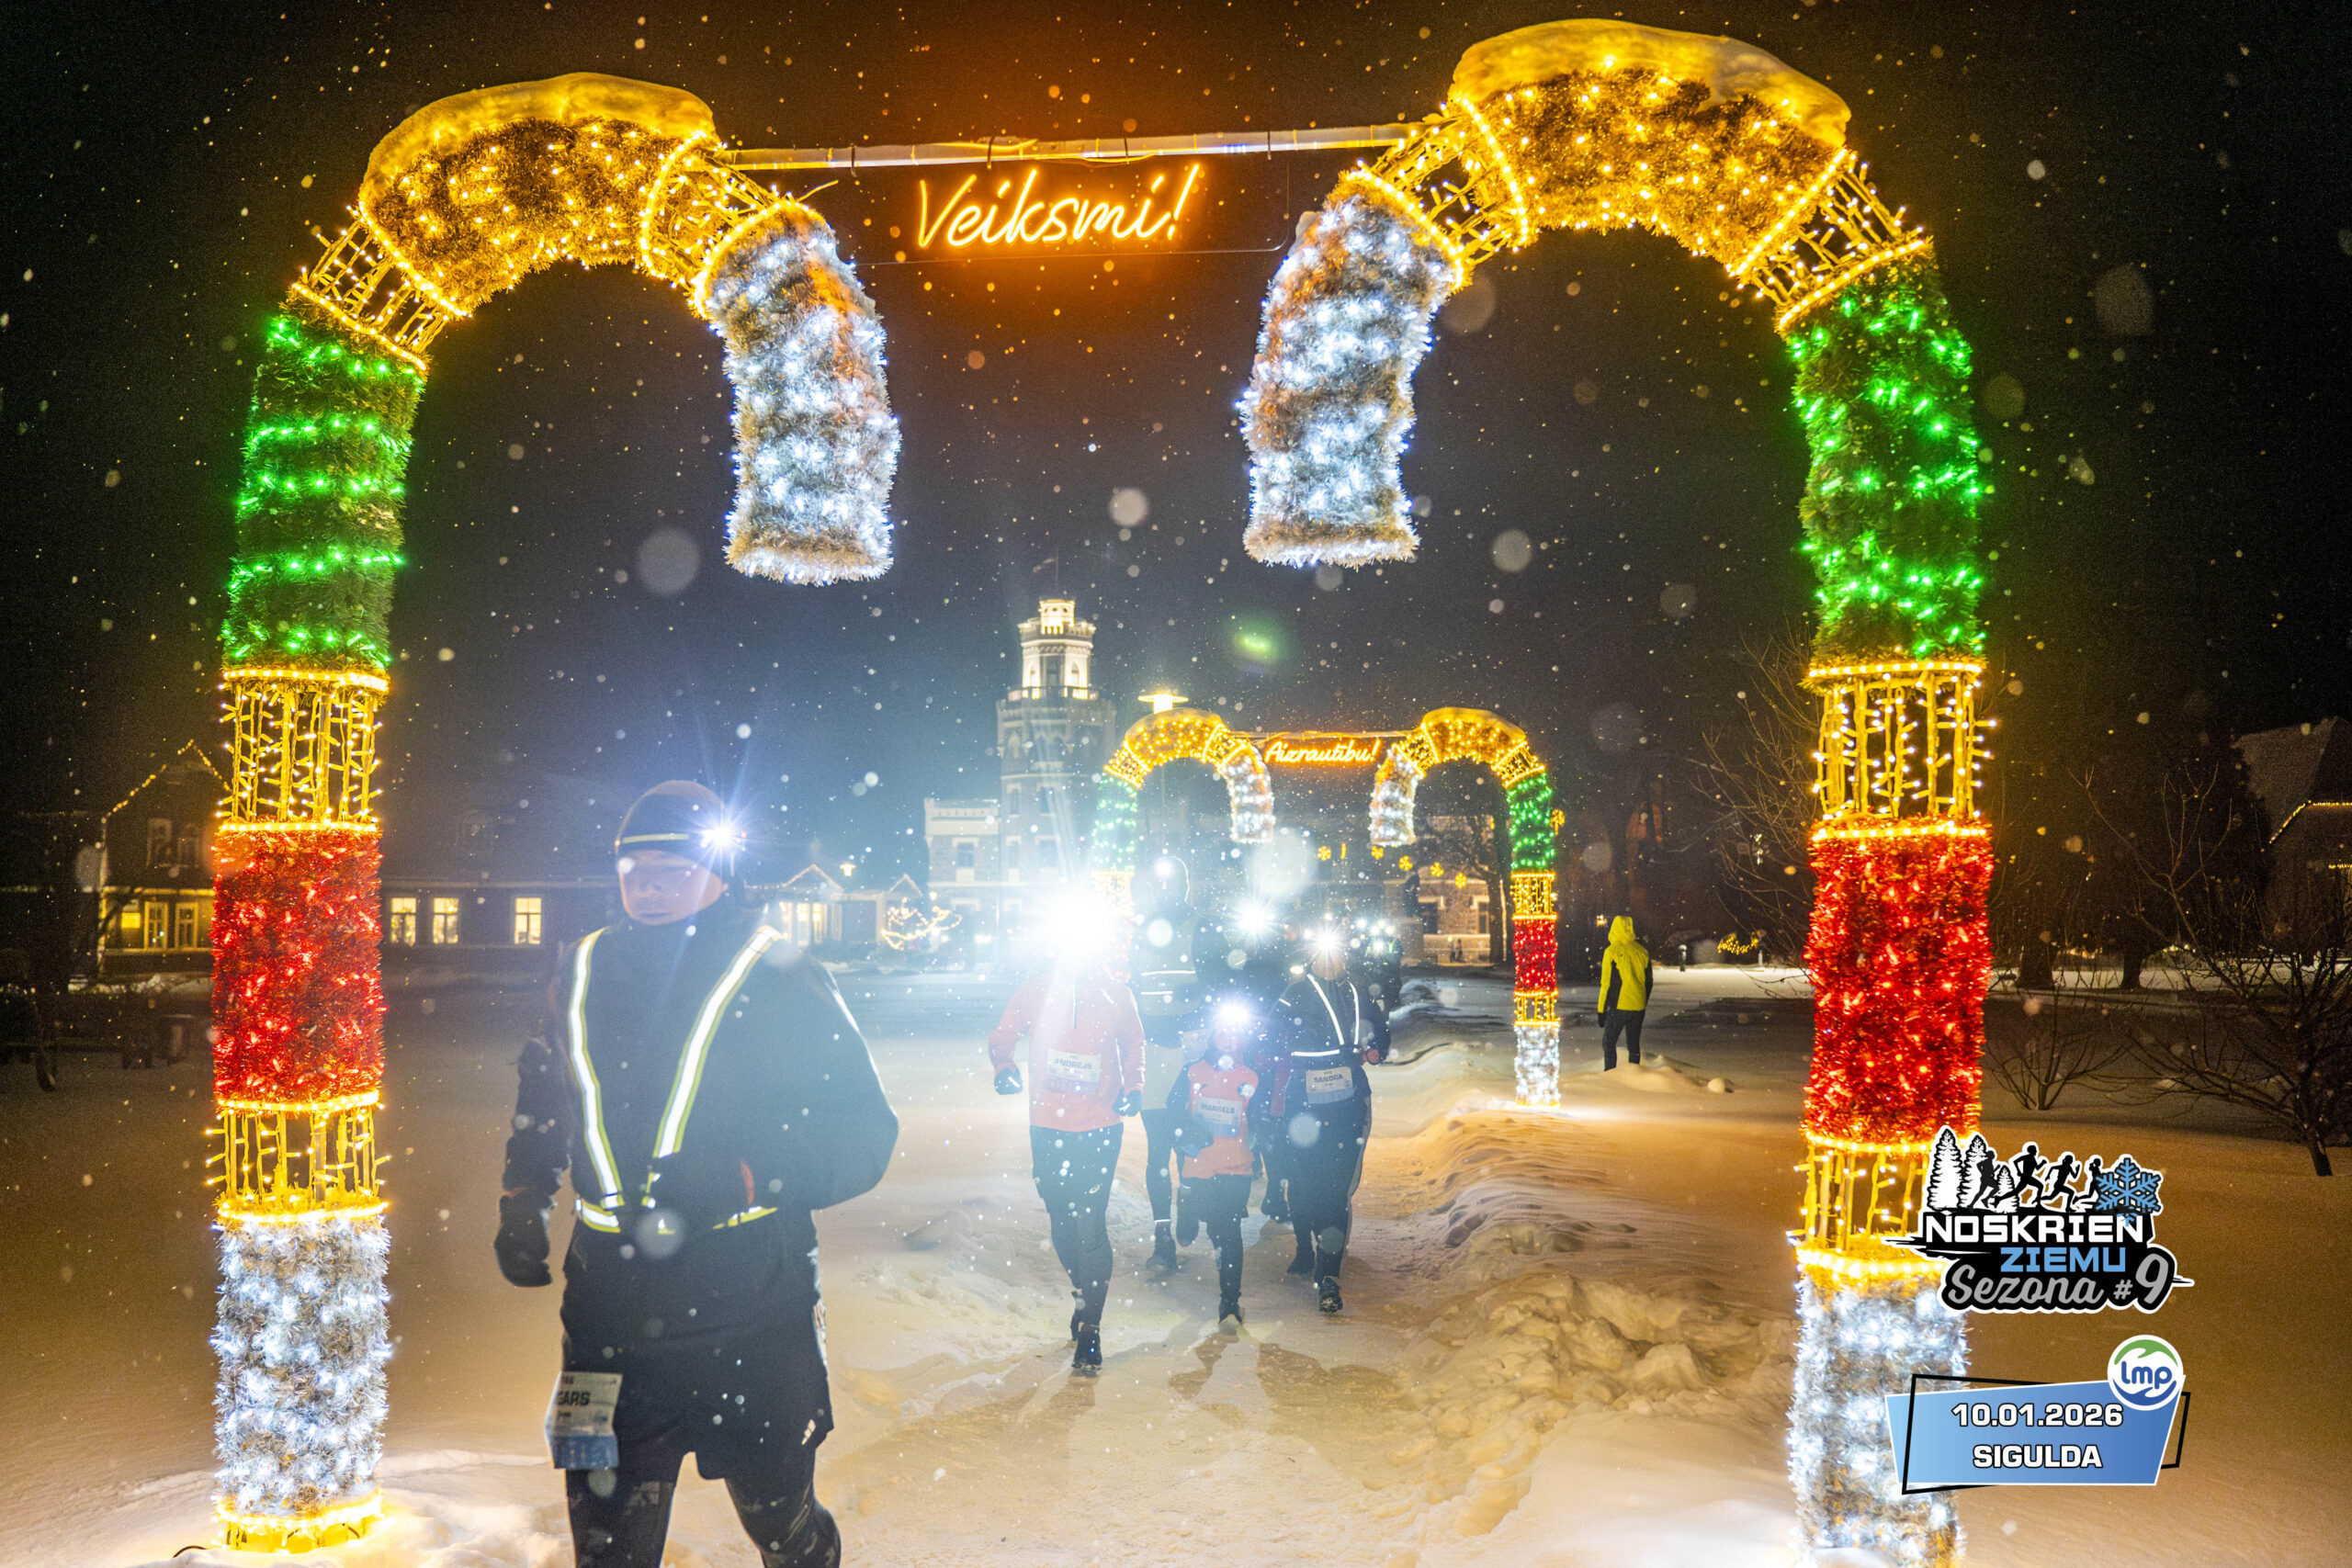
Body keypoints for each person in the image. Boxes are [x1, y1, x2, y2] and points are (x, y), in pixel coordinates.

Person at [497, 781, 899, 1568]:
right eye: (634, 869)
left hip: (750, 1314)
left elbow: (864, 1133)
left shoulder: (780, 972)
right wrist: (523, 1199)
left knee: (784, 1529)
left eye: (672, 869)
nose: (649, 886)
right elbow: (544, 1097)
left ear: (720, 874)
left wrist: (747, 1178)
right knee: (605, 1550)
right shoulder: (581, 967)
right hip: (604, 1320)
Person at [985, 955, 1146, 1375]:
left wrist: (1134, 1086)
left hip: (1100, 1124)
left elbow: (1134, 1043)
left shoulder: (1117, 994)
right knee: (1060, 1216)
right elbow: (1003, 1035)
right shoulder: (1036, 989)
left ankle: (1091, 1330)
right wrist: (1004, 1067)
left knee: (1091, 1222)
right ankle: (1082, 1291)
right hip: (1048, 1124)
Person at [1266, 931, 1390, 1314]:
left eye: (1336, 954)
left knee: (1336, 1190)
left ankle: (1328, 1274)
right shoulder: (1295, 992)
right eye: (1324, 954)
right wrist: (1287, 1054)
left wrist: (1375, 1049)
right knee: (1304, 1183)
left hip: (1347, 1105)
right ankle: (1305, 1247)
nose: (1330, 961)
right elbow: (1268, 1034)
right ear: (1313, 959)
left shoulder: (1356, 993)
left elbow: (1381, 1031)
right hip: (1304, 1107)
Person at [1130, 856, 1209, 1273]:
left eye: (1171, 883)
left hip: (1190, 1051)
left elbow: (1220, 984)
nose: (1164, 891)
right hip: (1153, 1050)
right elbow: (1131, 983)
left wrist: (1196, 996)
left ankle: (1189, 1197)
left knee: (1186, 1141)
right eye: (1158, 885)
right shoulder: (1140, 930)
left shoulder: (1201, 927)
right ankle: (1163, 1237)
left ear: (1185, 886)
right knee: (1157, 1148)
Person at [1166, 998, 1261, 1329]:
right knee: (1213, 1224)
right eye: (1223, 1031)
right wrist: (1189, 1133)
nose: (1229, 1039)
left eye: (1235, 1033)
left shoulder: (1251, 1076)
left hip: (1236, 1168)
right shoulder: (1193, 1072)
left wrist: (1259, 1139)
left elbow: (1262, 1118)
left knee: (1228, 1231)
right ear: (1212, 1035)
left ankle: (1229, 1303)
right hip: (1199, 1166)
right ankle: (1188, 1205)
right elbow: (1173, 1112)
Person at [1597, 915, 1653, 1070]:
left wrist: (1601, 1010)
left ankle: (1610, 1074)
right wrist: (1642, 1000)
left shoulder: (1611, 952)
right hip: (1638, 1005)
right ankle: (1634, 1073)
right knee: (1633, 1044)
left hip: (1619, 1005)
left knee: (1609, 1043)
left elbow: (1606, 984)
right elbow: (1649, 982)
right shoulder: (1642, 951)